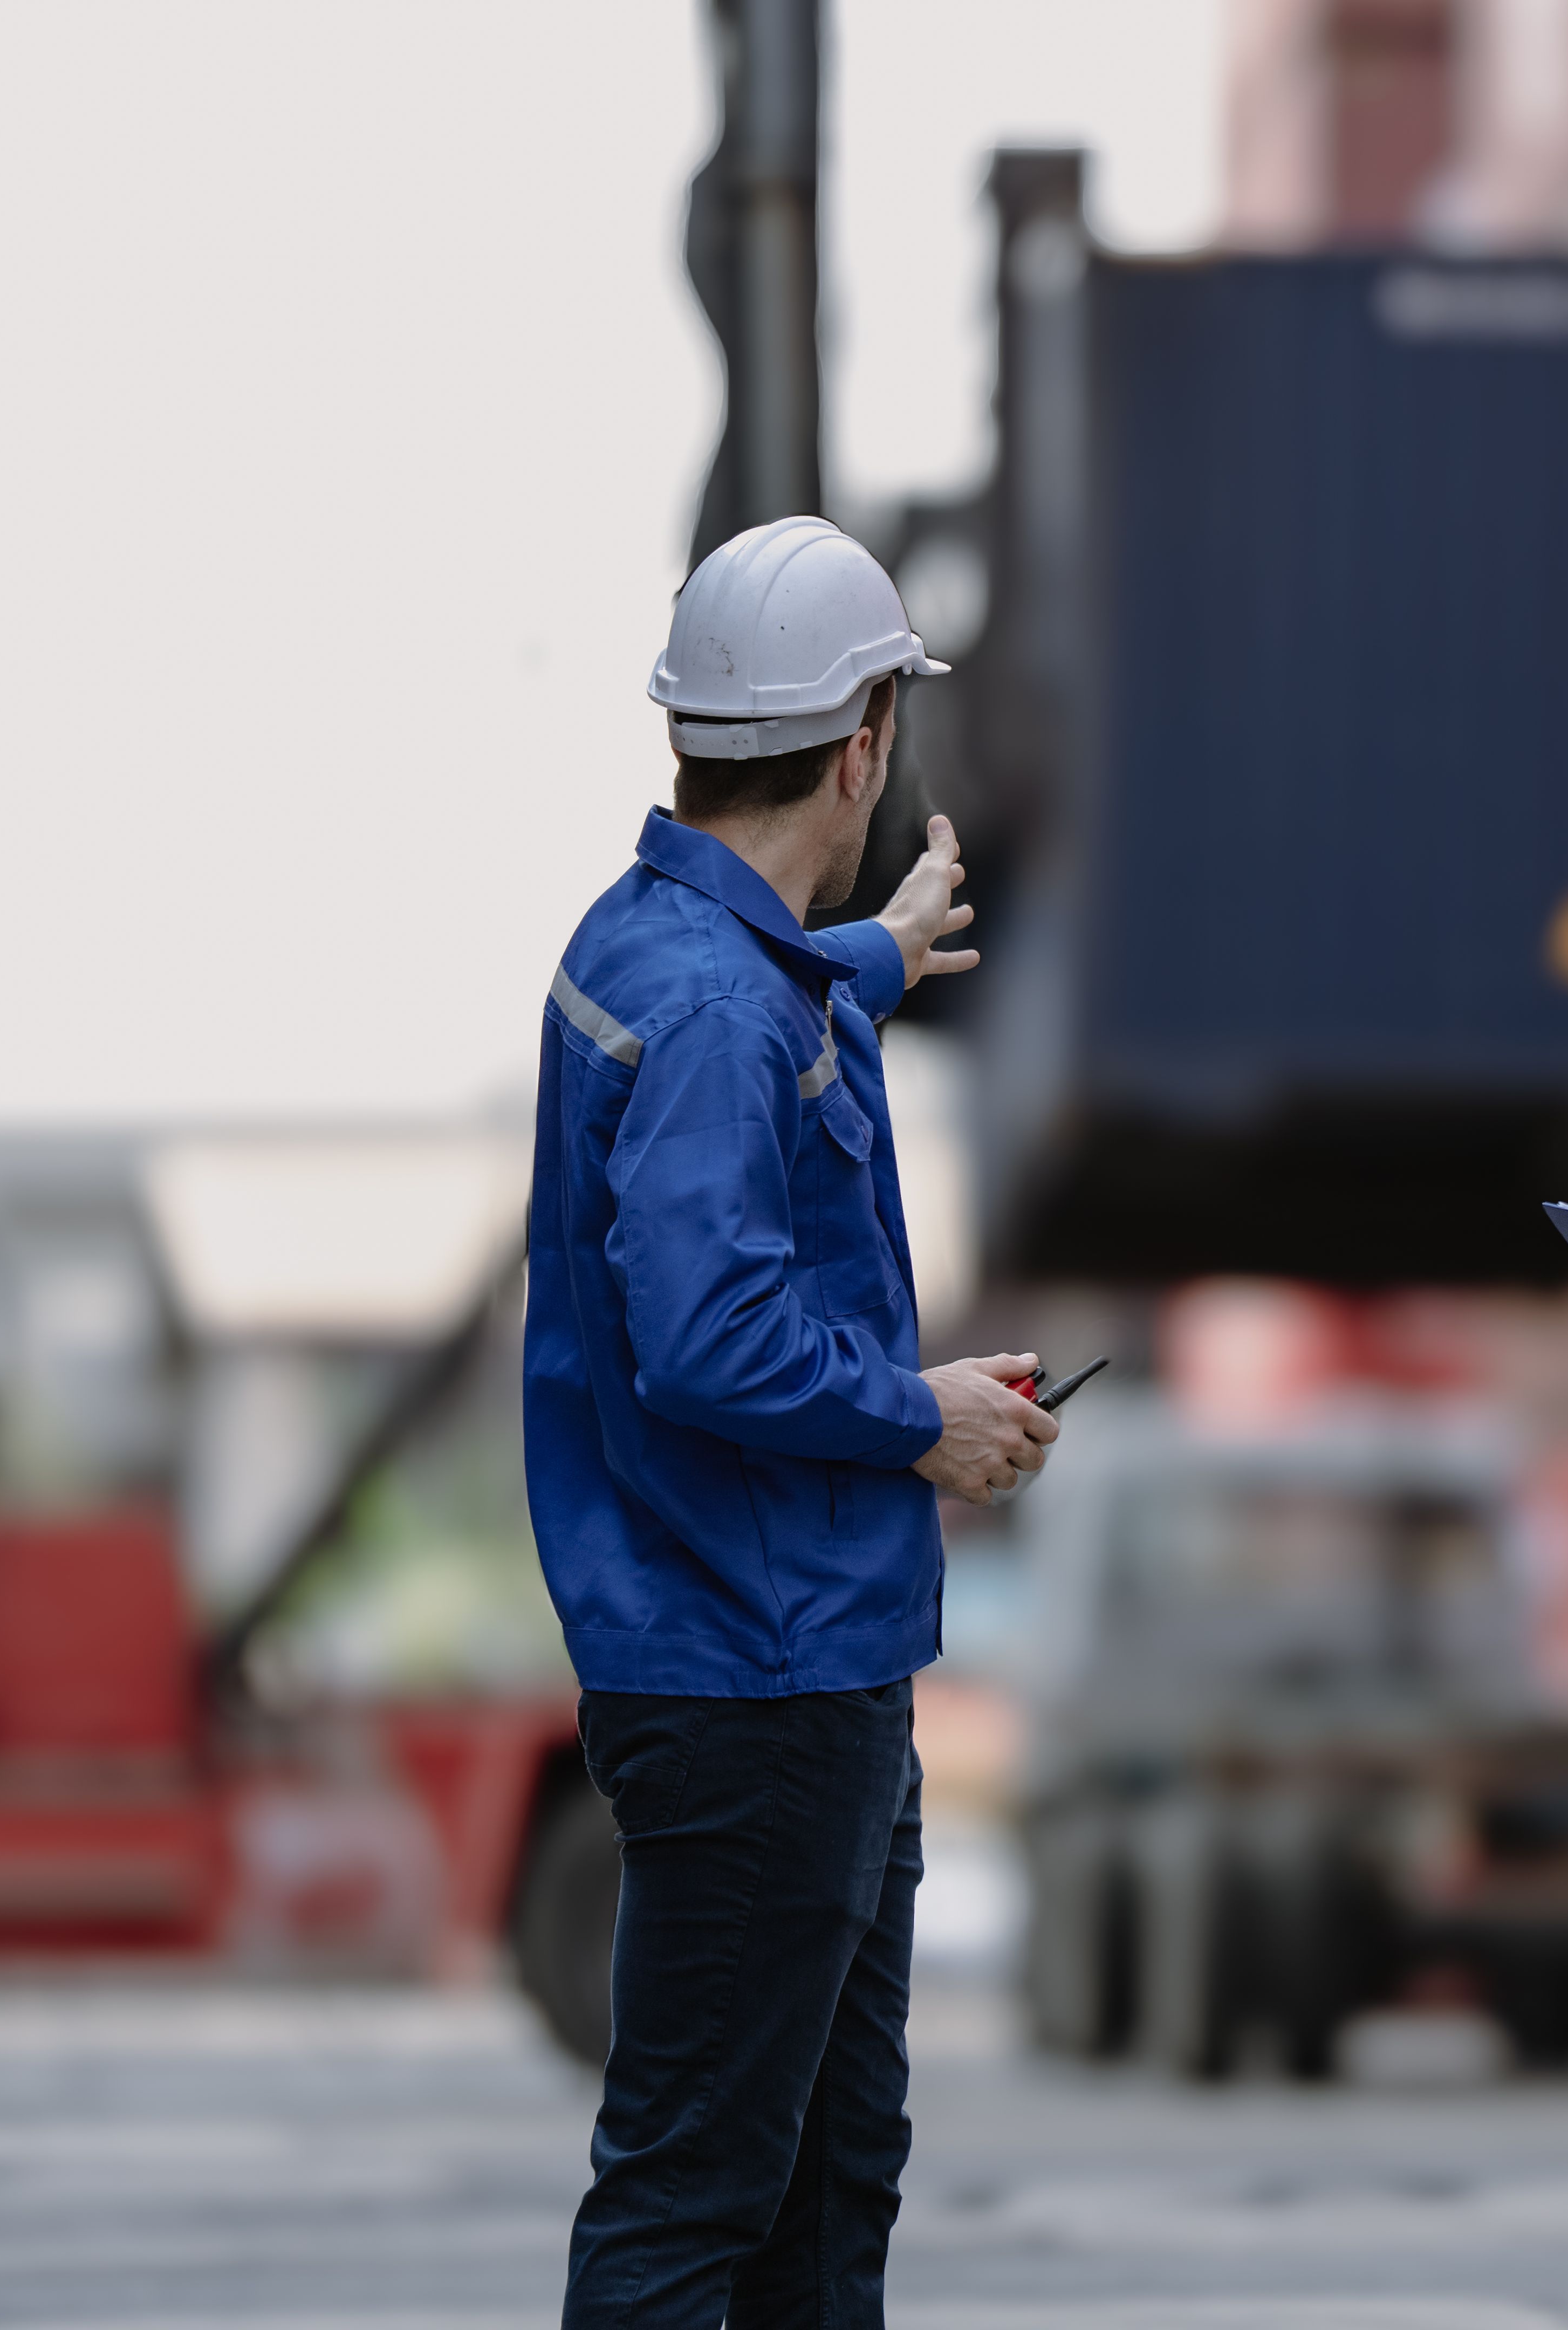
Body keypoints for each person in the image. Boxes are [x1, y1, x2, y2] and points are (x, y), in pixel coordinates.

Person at [525, 515, 1060, 2328]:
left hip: (786, 1664)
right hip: (757, 1680)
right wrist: (918, 1420)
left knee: (823, 2195)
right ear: (865, 745)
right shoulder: (716, 1014)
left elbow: (752, 1006)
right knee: (699, 2203)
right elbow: (708, 1333)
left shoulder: (667, 952)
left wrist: (880, 953)